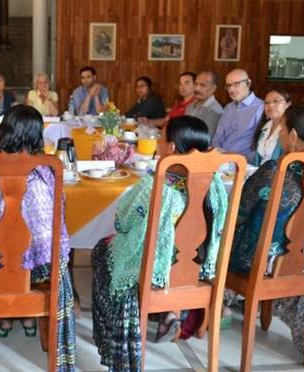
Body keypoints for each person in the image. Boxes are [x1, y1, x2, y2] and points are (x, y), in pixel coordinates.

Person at [91, 115, 228, 371]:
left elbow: (122, 222)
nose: (157, 140)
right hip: (196, 271)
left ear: (172, 147)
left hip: (154, 272)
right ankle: (169, 314)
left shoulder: (156, 185)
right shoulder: (217, 185)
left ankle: (117, 339)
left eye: (161, 135)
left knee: (102, 251)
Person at [0, 104, 75, 370]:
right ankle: (28, 316)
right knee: (56, 254)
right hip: (38, 267)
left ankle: (5, 317)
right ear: (35, 137)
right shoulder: (47, 170)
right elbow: (55, 226)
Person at [227, 103, 304, 366]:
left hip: (263, 264)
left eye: (281, 129)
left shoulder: (273, 171)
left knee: (219, 235)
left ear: (292, 136)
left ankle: (207, 309)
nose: (278, 134)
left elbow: (239, 214)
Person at [211, 69, 264, 162]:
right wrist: (213, 154)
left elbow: (259, 143)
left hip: (244, 162)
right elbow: (218, 135)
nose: (231, 89)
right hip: (220, 159)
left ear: (248, 83)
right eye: (228, 85)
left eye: (236, 84)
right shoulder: (228, 108)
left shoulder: (260, 108)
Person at [251, 90, 291, 166]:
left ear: (288, 104)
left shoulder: (290, 129)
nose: (270, 105)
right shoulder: (265, 127)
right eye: (266, 102)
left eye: (276, 101)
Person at [185, 71, 224, 137]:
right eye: (196, 84)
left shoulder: (215, 111)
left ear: (213, 88)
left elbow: (205, 139)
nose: (197, 88)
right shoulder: (190, 106)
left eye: (202, 85)